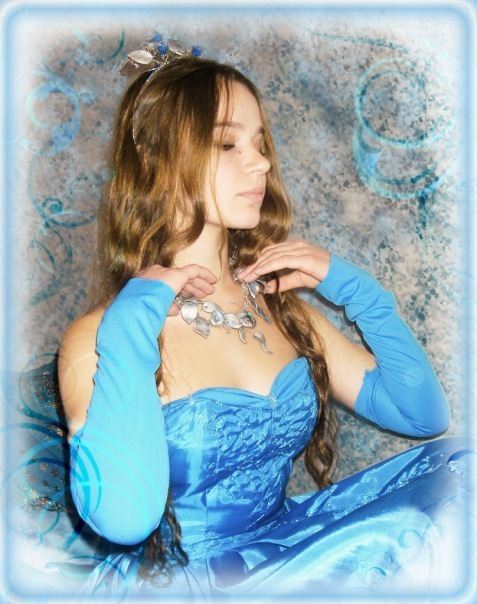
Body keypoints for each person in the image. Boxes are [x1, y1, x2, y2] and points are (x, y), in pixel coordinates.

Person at [57, 36, 471, 600]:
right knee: (410, 532)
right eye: (228, 144)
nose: (261, 162)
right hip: (188, 582)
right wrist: (134, 320)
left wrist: (357, 290)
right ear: (157, 159)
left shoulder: (276, 304)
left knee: (460, 467)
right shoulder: (99, 335)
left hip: (284, 549)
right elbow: (125, 519)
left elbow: (422, 416)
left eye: (259, 143)